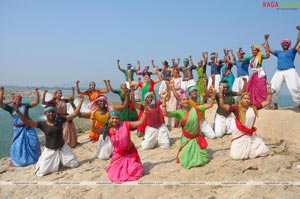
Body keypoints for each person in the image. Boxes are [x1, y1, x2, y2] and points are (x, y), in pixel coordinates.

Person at [14, 95, 84, 176]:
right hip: (50, 151)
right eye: (49, 112)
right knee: (41, 172)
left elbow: (75, 114)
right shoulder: (42, 124)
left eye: (53, 111)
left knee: (74, 164)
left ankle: (61, 160)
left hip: (63, 148)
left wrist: (80, 102)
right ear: (45, 114)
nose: (51, 113)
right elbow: (27, 122)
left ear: (55, 113)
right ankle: (56, 161)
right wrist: (18, 111)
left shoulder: (60, 120)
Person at [161, 86, 216, 169]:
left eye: (187, 99)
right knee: (186, 159)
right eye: (183, 99)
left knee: (203, 158)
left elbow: (210, 105)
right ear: (179, 102)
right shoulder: (179, 113)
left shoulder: (196, 108)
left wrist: (213, 96)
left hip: (196, 138)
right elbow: (165, 113)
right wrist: (164, 99)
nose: (186, 101)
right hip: (187, 139)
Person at [218, 83, 272, 160]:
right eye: (244, 98)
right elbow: (222, 105)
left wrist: (269, 89)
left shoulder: (253, 107)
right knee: (236, 156)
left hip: (250, 134)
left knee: (264, 151)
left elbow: (267, 101)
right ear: (241, 99)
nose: (246, 100)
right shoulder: (236, 108)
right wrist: (220, 91)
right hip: (239, 133)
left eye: (248, 98)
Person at [104, 108, 148, 182]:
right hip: (118, 154)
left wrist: (145, 113)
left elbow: (140, 122)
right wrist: (92, 118)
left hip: (129, 151)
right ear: (109, 119)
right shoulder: (108, 130)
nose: (114, 120)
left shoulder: (126, 124)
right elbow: (94, 129)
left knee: (134, 170)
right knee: (113, 173)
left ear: (119, 119)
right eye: (112, 118)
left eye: (116, 118)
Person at [0, 87, 41, 167]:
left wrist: (37, 93)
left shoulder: (25, 106)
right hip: (18, 130)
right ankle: (18, 160)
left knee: (34, 143)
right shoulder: (10, 108)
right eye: (16, 99)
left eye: (19, 99)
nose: (17, 101)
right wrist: (1, 92)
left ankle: (34, 158)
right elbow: (0, 104)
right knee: (18, 145)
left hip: (28, 127)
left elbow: (36, 102)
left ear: (21, 101)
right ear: (13, 100)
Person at [267, 26, 300, 111]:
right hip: (279, 71)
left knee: (294, 88)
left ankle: (299, 105)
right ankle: (275, 105)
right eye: (283, 43)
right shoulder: (278, 52)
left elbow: (298, 41)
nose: (285, 44)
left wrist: (299, 31)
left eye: (286, 43)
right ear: (281, 45)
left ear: (289, 44)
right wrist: (266, 39)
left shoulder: (292, 51)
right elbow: (268, 49)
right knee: (273, 88)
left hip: (290, 71)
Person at [130, 70, 162, 137]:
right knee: (143, 115)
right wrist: (132, 86)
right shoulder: (141, 84)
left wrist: (157, 73)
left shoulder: (152, 82)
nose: (146, 79)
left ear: (150, 78)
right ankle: (143, 131)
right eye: (145, 78)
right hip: (144, 101)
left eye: (147, 78)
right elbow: (132, 84)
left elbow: (160, 79)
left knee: (152, 115)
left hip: (152, 101)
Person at [244, 37, 270, 105]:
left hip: (260, 73)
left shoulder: (260, 56)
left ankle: (263, 101)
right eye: (252, 50)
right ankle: (252, 101)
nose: (253, 51)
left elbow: (268, 56)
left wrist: (265, 47)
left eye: (255, 50)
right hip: (253, 74)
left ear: (257, 51)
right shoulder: (250, 58)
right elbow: (241, 60)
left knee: (261, 87)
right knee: (250, 87)